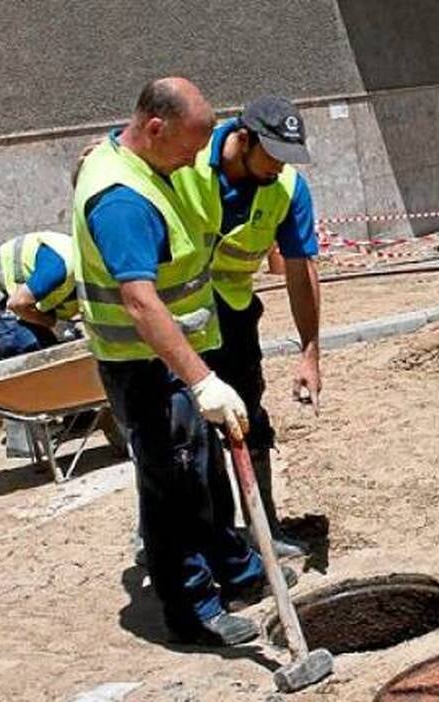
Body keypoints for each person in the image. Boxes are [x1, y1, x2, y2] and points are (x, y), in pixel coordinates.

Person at [72, 78, 292, 646]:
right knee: (172, 484)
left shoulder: (144, 162)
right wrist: (202, 382)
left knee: (203, 468)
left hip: (174, 356)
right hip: (144, 364)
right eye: (190, 146)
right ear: (154, 128)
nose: (197, 159)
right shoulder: (122, 199)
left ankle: (237, 570)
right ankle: (192, 609)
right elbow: (140, 302)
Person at [172, 96, 322, 559]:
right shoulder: (185, 163)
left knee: (247, 419)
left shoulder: (287, 188)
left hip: (234, 316)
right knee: (179, 432)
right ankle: (180, 538)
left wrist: (310, 352)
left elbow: (300, 270)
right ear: (244, 138)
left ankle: (263, 528)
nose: (279, 166)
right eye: (272, 154)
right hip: (175, 319)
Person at [0, 230, 78, 340]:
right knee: (28, 341)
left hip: (30, 294)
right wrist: (53, 324)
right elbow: (16, 304)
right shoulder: (60, 267)